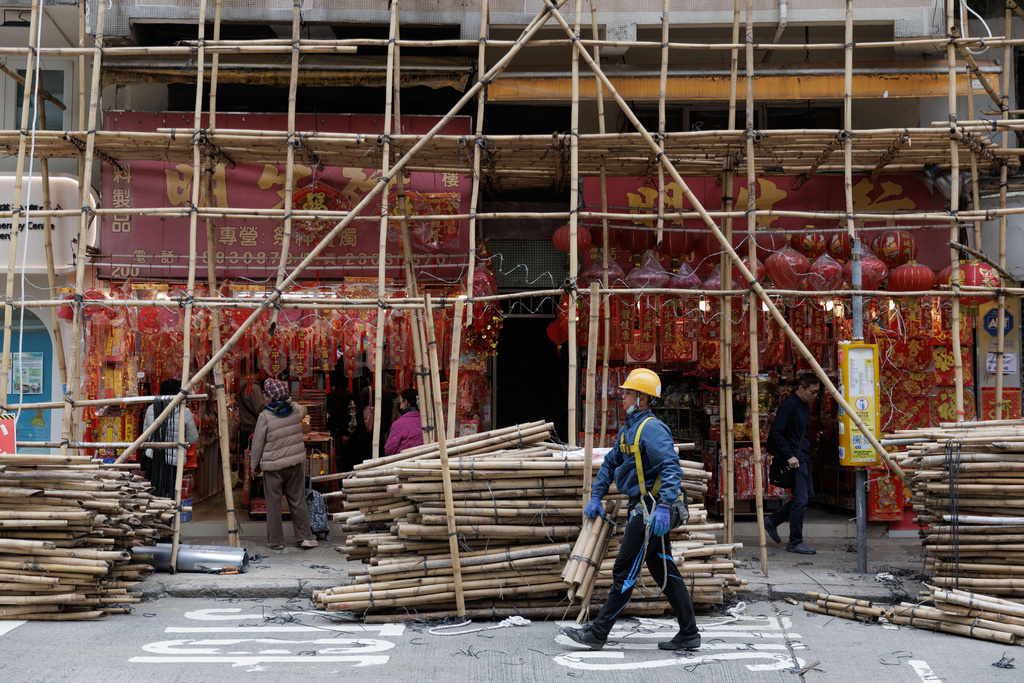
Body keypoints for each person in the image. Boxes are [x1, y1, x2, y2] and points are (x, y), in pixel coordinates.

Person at [561, 368, 699, 652]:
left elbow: (671, 467)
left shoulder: (652, 429)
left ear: (643, 399)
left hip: (652, 511)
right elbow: (611, 463)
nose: (621, 395)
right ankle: (689, 633)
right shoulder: (629, 430)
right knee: (663, 569)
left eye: (627, 392)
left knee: (624, 571)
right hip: (646, 509)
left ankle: (598, 633)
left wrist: (663, 506)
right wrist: (597, 495)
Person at [249, 378, 318, 550]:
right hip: (294, 465)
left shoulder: (265, 416)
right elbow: (304, 410)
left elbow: (257, 443)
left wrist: (253, 465)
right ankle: (305, 538)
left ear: (269, 396)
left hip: (273, 468)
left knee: (273, 504)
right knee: (297, 500)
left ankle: (276, 541)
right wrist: (291, 402)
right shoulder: (295, 409)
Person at [764, 373, 822, 555]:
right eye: (812, 392)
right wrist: (789, 456)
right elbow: (775, 433)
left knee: (808, 495)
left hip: (803, 456)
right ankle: (795, 541)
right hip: (795, 459)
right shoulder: (789, 405)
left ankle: (773, 521)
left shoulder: (803, 405)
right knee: (801, 499)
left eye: (817, 392)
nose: (815, 396)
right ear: (800, 388)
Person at [141, 378, 199, 499]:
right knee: (170, 493)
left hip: (152, 456)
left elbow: (145, 434)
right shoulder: (185, 411)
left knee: (153, 491)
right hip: (174, 460)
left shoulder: (152, 409)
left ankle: (155, 515)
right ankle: (169, 516)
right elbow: (192, 439)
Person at [327, 369, 367, 472]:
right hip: (346, 441)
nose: (331, 389)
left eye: (332, 386)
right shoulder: (340, 398)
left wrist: (347, 434)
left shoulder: (350, 397)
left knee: (352, 465)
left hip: (354, 441)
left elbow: (353, 418)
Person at [384, 388, 423, 456]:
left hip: (402, 463)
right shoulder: (426, 422)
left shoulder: (398, 424)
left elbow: (389, 450)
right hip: (424, 462)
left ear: (405, 402)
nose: (400, 405)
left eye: (400, 402)